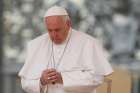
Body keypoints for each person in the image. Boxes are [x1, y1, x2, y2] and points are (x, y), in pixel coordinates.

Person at [18, 6, 113, 93]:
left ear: (68, 24)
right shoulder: (36, 45)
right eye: (50, 30)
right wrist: (41, 81)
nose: (53, 35)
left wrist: (63, 78)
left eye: (57, 30)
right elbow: (25, 83)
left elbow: (96, 78)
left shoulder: (88, 43)